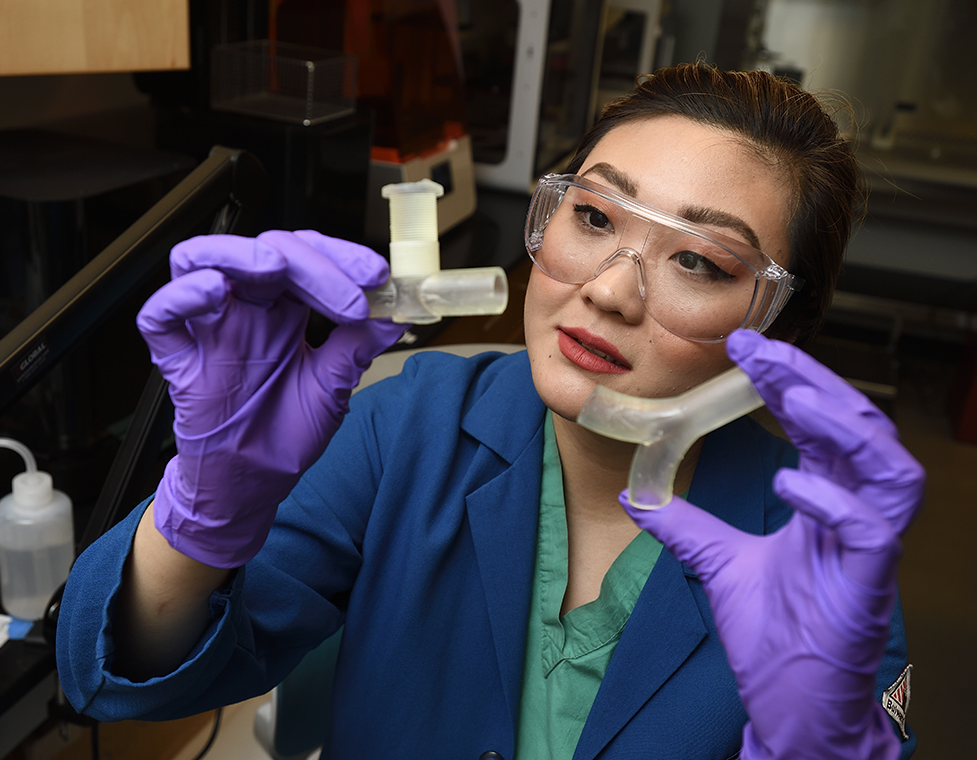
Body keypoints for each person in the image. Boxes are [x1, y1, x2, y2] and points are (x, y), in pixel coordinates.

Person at [56, 63, 922, 759]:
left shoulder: (821, 552)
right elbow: (129, 677)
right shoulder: (411, 429)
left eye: (700, 262)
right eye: (591, 214)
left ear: (782, 329)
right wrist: (201, 514)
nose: (610, 289)